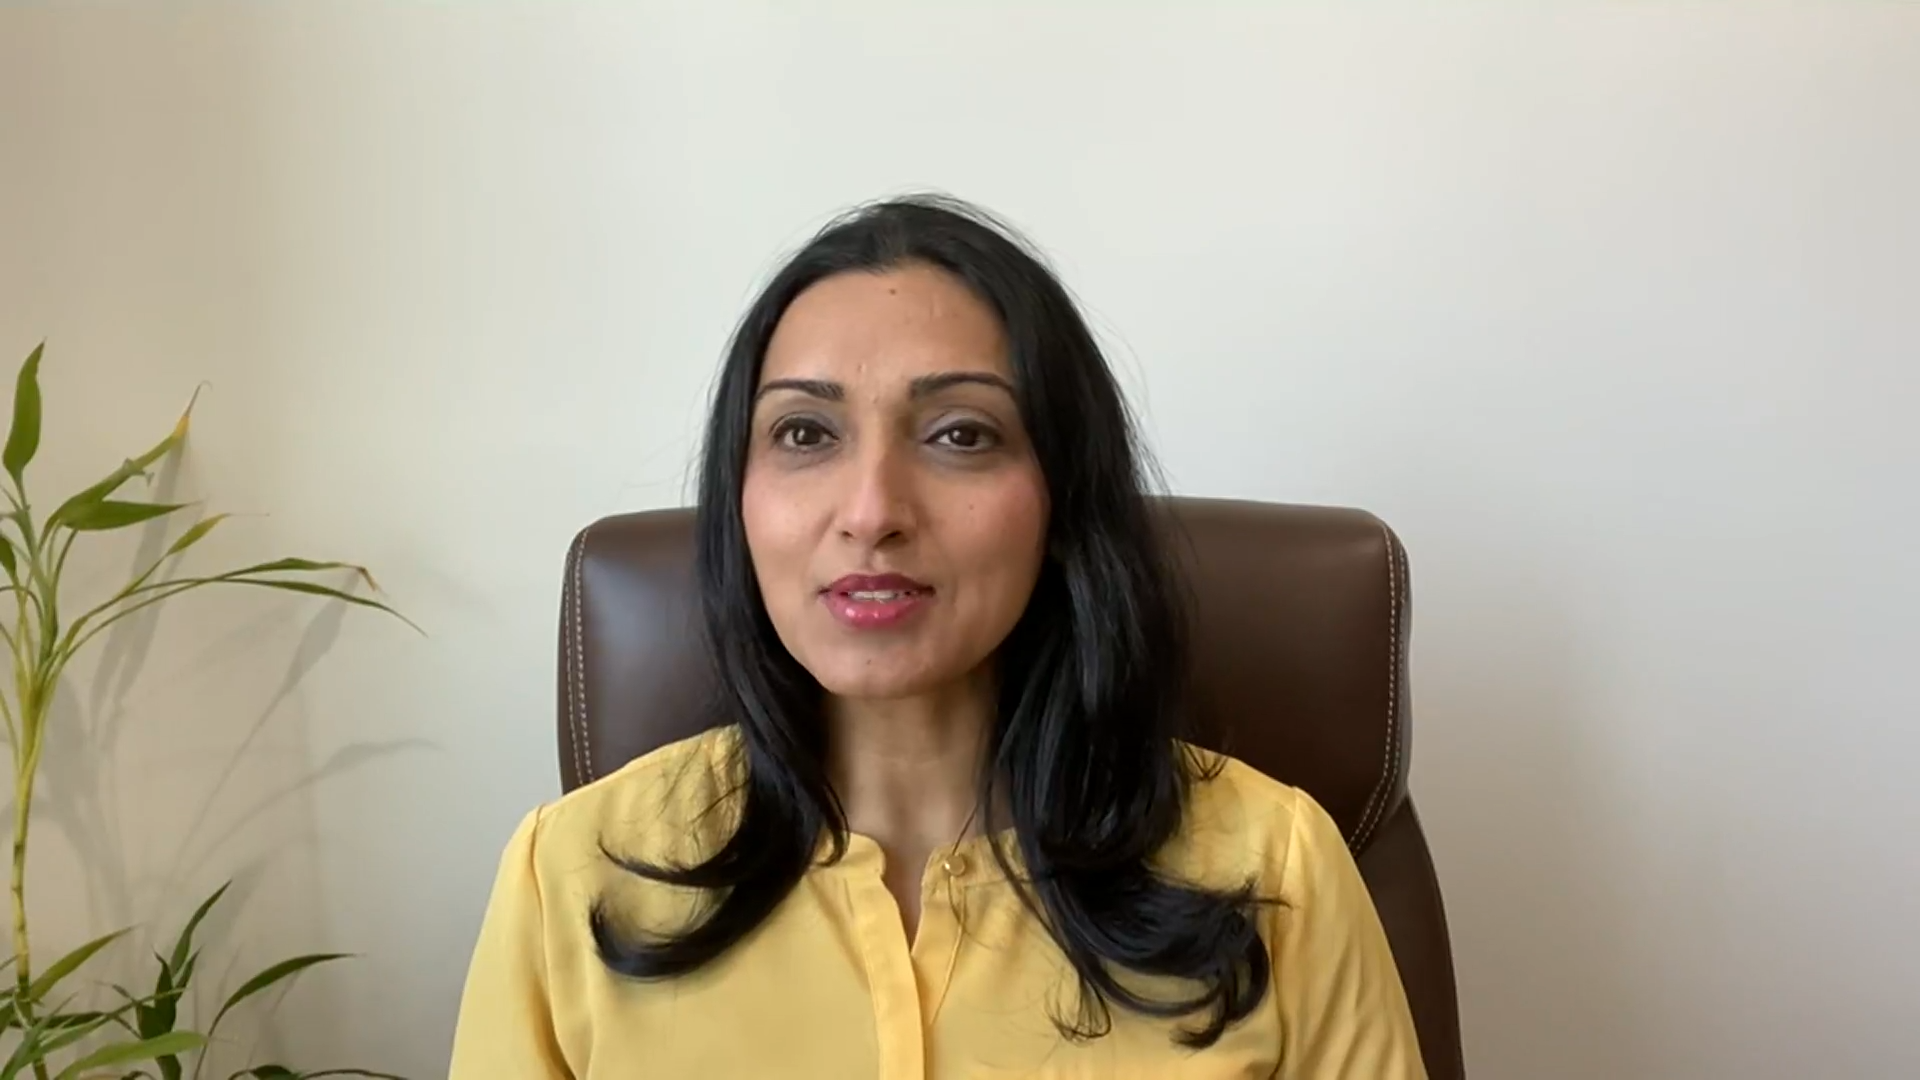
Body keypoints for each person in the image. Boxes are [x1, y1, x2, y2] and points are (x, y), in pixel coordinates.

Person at [448, 195, 1427, 1078]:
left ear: (1061, 498)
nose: (872, 511)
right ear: (738, 501)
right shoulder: (571, 877)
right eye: (804, 435)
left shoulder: (1277, 870)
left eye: (961, 433)